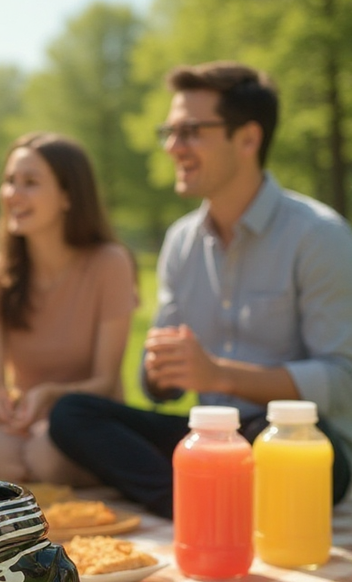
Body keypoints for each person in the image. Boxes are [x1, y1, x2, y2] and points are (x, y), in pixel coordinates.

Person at [48, 61, 352, 518]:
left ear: (248, 138)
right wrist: (160, 370)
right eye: (169, 132)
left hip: (291, 440)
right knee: (72, 414)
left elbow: (341, 380)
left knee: (323, 458)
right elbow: (158, 389)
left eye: (190, 131)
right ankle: (205, 504)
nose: (173, 146)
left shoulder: (318, 235)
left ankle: (194, 501)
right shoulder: (181, 241)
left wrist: (220, 376)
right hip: (210, 437)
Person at [0, 132, 137, 484]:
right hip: (24, 422)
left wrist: (49, 396)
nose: (14, 194)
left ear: (67, 196)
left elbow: (105, 382)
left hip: (86, 420)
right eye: (10, 181)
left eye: (30, 183)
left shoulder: (110, 263)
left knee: (46, 453)